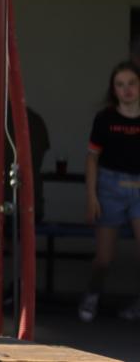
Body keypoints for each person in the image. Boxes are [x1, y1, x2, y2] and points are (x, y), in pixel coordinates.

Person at [78, 61, 140, 323]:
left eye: (132, 83)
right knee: (104, 258)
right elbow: (92, 157)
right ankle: (92, 294)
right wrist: (91, 196)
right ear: (113, 90)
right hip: (110, 188)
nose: (127, 90)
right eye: (120, 85)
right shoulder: (105, 119)